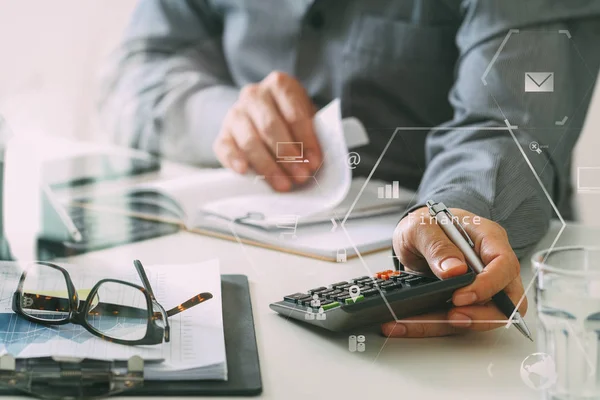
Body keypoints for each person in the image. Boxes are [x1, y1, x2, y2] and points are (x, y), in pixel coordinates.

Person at [99, 1, 600, 338]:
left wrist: (451, 224)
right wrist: (224, 116)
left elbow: (510, 122)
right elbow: (135, 72)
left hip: (444, 288)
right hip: (227, 251)